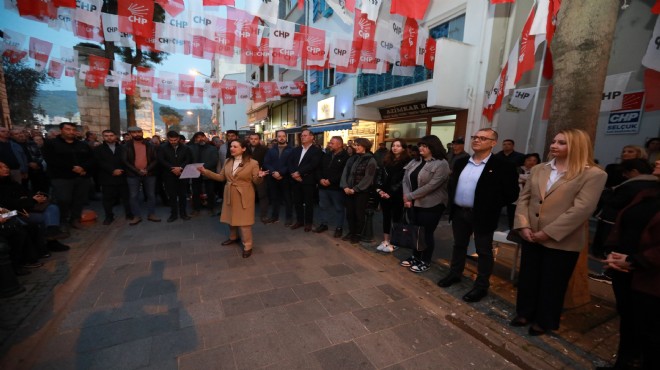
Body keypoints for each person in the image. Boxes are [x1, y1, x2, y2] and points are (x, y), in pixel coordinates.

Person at [511, 128, 607, 336]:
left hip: (562, 239)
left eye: (562, 142)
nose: (554, 145)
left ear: (577, 146)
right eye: (554, 141)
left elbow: (582, 209)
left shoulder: (593, 174)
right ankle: (524, 312)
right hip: (531, 234)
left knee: (552, 282)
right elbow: (524, 199)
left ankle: (545, 321)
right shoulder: (539, 169)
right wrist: (523, 225)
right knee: (528, 277)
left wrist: (548, 232)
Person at [437, 128, 519, 303]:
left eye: (482, 138)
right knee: (459, 245)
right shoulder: (461, 162)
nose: (476, 140)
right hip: (460, 212)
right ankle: (455, 273)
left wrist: (490, 205)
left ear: (493, 143)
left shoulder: (502, 166)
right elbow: (452, 185)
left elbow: (512, 194)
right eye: (475, 137)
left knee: (483, 250)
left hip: (483, 215)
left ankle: (481, 286)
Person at [600, 162, 659, 370]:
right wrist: (614, 251)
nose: (657, 161)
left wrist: (633, 261)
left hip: (650, 276)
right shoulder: (648, 192)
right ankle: (624, 362)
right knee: (629, 320)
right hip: (624, 270)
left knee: (650, 330)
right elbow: (623, 223)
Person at [198, 140, 268, 258]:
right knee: (231, 219)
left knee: (244, 223)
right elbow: (221, 177)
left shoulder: (253, 163)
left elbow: (256, 181)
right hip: (229, 193)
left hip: (244, 195)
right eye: (231, 146)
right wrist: (205, 172)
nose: (232, 148)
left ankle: (248, 246)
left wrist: (260, 177)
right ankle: (233, 237)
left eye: (235, 146)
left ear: (244, 148)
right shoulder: (227, 161)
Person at [398, 136, 450, 272]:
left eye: (425, 146)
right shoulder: (415, 161)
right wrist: (407, 197)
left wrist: (409, 196)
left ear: (433, 147)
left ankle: (425, 260)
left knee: (426, 233)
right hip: (413, 202)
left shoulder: (441, 163)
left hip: (432, 204)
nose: (421, 148)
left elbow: (432, 186)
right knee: (415, 232)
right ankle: (415, 256)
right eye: (420, 145)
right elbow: (405, 179)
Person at [42, 122, 95, 229]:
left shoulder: (82, 144)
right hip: (61, 177)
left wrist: (83, 168)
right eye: (68, 129)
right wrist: (72, 167)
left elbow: (91, 158)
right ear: (61, 130)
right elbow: (51, 159)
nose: (71, 132)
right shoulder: (51, 144)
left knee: (79, 199)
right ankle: (62, 221)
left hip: (81, 176)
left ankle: (75, 219)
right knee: (63, 199)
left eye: (73, 129)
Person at [375, 139, 411, 253]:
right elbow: (380, 175)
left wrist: (390, 192)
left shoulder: (408, 162)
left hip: (397, 194)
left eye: (398, 146)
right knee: (386, 217)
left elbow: (403, 180)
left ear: (403, 148)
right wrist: (380, 190)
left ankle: (395, 242)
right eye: (393, 146)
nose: (395, 148)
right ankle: (386, 240)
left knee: (397, 218)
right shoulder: (387, 160)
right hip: (384, 193)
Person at [339, 138, 378, 244]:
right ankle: (351, 232)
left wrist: (355, 189)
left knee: (359, 214)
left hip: (361, 192)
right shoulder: (352, 158)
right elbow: (345, 172)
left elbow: (368, 178)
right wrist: (345, 186)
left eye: (358, 145)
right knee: (350, 214)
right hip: (348, 190)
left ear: (365, 146)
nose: (355, 147)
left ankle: (357, 234)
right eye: (355, 145)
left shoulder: (371, 160)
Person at [122, 126, 160, 225]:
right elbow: (125, 161)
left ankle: (151, 214)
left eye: (139, 132)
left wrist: (147, 169)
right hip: (133, 174)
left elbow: (155, 159)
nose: (137, 134)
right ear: (130, 134)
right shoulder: (126, 146)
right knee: (134, 196)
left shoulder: (150, 145)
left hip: (149, 173)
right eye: (134, 132)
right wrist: (137, 171)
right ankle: (136, 216)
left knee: (151, 195)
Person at [94, 130, 132, 225]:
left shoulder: (122, 148)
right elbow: (99, 162)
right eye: (106, 136)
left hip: (122, 176)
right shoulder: (98, 149)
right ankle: (109, 216)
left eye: (111, 135)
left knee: (126, 197)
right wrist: (112, 170)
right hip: (107, 177)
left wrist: (120, 170)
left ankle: (129, 214)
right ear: (103, 137)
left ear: (115, 136)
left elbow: (127, 161)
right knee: (107, 199)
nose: (109, 137)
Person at [288, 129, 322, 232]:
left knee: (308, 203)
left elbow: (313, 164)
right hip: (295, 180)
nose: (302, 137)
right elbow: (290, 162)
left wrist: (299, 173)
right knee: (297, 202)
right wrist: (294, 174)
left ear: (312, 137)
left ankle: (308, 223)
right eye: (302, 135)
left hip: (308, 180)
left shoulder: (316, 150)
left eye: (305, 135)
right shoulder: (296, 149)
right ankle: (299, 221)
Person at [315, 136, 349, 237]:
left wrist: (331, 181)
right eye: (330, 143)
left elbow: (343, 173)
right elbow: (319, 168)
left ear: (339, 144)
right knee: (323, 206)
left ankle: (339, 227)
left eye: (332, 143)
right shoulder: (327, 155)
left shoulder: (345, 157)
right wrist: (320, 179)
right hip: (323, 187)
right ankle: (324, 224)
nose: (329, 144)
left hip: (336, 188)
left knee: (339, 208)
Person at [158, 131, 193, 222]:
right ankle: (173, 214)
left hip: (182, 174)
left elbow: (188, 159)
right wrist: (172, 168)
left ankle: (183, 214)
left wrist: (180, 168)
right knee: (172, 196)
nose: (173, 142)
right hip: (169, 175)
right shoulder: (162, 148)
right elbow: (161, 160)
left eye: (175, 140)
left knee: (182, 195)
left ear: (178, 138)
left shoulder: (185, 148)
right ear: (167, 139)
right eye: (171, 140)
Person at [263, 130, 294, 225]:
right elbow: (266, 163)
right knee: (274, 199)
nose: (281, 138)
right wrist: (273, 172)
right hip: (273, 178)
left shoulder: (292, 150)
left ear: (286, 137)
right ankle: (274, 217)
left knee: (288, 199)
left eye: (283, 136)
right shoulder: (271, 150)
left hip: (285, 178)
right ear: (276, 138)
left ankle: (289, 218)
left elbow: (291, 164)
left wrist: (280, 173)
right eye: (279, 136)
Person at [189, 132, 219, 216]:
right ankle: (196, 209)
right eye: (198, 137)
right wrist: (196, 168)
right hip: (195, 173)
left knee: (210, 191)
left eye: (202, 137)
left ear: (205, 138)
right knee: (195, 192)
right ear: (195, 139)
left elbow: (214, 161)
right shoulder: (191, 148)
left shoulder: (212, 148)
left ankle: (211, 208)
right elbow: (189, 160)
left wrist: (203, 169)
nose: (201, 139)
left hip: (208, 173)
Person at [247, 133, 270, 223]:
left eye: (255, 139)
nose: (253, 140)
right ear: (249, 139)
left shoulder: (265, 149)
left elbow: (267, 161)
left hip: (260, 174)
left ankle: (264, 215)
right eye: (251, 138)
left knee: (262, 195)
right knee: (247, 196)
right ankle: (246, 214)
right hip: (247, 176)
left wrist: (262, 170)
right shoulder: (245, 148)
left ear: (259, 139)